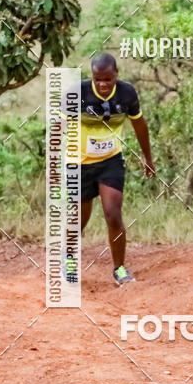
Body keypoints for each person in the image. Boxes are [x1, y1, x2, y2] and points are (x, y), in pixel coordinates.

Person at [66, 53, 155, 286]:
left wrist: (148, 158)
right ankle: (69, 263)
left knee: (113, 214)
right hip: (79, 163)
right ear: (92, 78)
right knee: (78, 220)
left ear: (116, 75)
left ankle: (120, 269)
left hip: (110, 161)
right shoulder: (77, 93)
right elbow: (58, 128)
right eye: (98, 80)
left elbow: (139, 125)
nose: (103, 85)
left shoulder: (126, 93)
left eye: (108, 79)